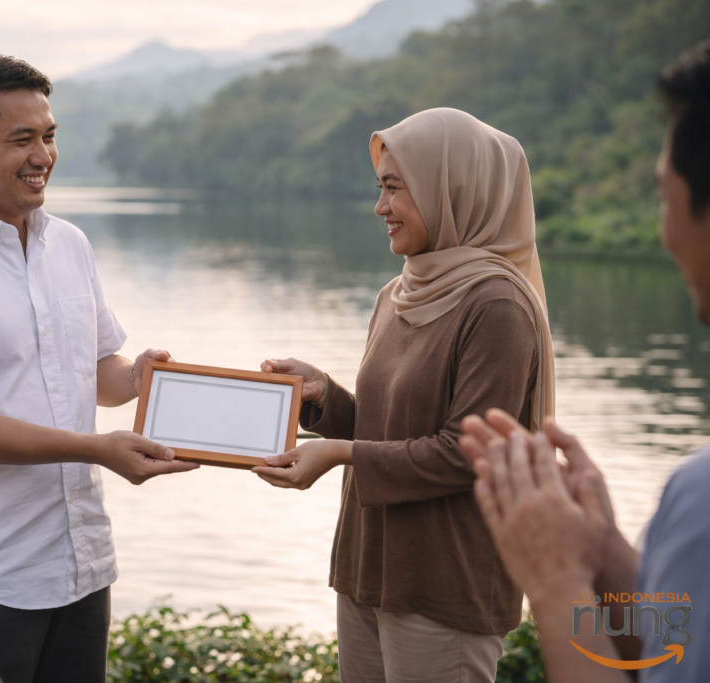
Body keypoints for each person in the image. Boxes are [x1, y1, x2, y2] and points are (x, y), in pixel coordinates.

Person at [0, 52, 198, 683]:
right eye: (21, 139)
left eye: (49, 136)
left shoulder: (68, 244)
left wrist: (140, 377)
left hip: (80, 564)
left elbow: (99, 371)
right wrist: (97, 449)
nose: (42, 155)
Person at [253, 108, 556, 682]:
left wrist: (339, 455)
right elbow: (391, 427)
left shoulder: (496, 305)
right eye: (380, 188)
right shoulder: (399, 293)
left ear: (451, 188)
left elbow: (466, 451)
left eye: (395, 188)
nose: (380, 207)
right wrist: (324, 400)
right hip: (368, 570)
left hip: (444, 584)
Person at [460, 41, 710, 683]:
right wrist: (606, 561)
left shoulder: (702, 500)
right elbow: (673, 650)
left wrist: (554, 579)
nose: (663, 230)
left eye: (663, 195)